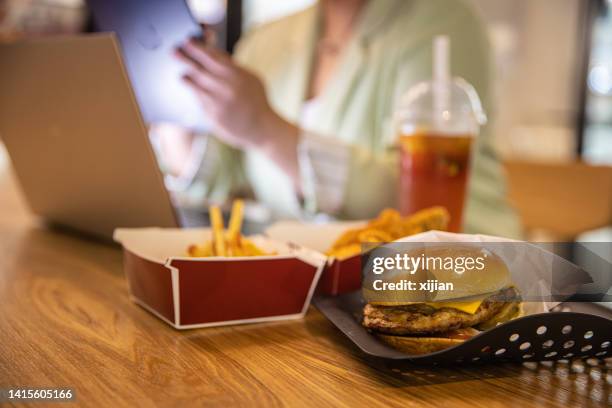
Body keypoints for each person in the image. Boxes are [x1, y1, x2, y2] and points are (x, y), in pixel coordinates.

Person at [170, 0, 521, 238]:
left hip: (451, 275)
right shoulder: (267, 38)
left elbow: (417, 201)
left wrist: (265, 128)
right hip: (314, 293)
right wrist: (176, 101)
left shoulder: (441, 22)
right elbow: (226, 173)